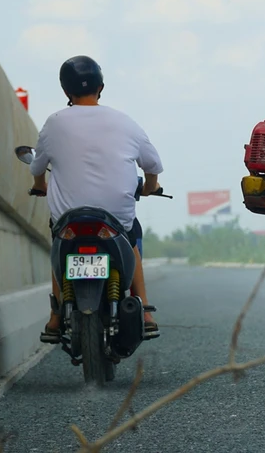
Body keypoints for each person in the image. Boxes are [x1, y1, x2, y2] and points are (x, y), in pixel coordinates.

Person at [29, 55, 164, 343]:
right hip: (115, 216)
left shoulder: (54, 123)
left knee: (59, 243)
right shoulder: (124, 121)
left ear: (66, 91)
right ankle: (146, 312)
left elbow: (37, 167)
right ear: (101, 87)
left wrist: (39, 184)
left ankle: (55, 317)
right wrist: (151, 186)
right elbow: (152, 165)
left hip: (70, 217)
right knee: (131, 235)